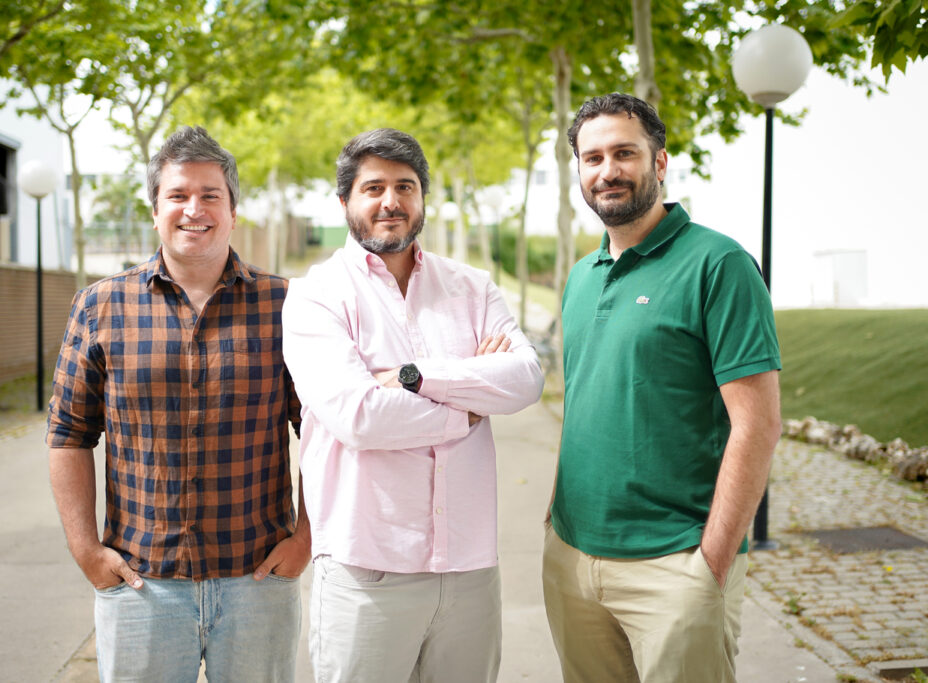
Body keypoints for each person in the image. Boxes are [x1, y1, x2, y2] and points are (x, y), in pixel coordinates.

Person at [282, 128, 545, 682]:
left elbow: (525, 378)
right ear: (344, 201)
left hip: (470, 570)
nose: (391, 201)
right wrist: (469, 404)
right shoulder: (315, 295)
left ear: (423, 197)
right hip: (367, 571)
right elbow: (359, 417)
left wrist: (415, 378)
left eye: (405, 186)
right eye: (373, 188)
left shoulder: (471, 287)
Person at [47, 126, 308, 682]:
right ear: (155, 210)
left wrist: (307, 537)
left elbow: (324, 429)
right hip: (143, 586)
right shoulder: (99, 306)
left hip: (258, 581)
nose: (194, 209)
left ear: (233, 211)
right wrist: (86, 550)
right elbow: (68, 435)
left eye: (210, 195)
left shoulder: (287, 305)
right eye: (178, 195)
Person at [543, 93, 782, 683]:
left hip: (675, 562)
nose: (608, 170)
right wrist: (554, 522)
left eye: (624, 153)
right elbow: (588, 401)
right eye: (593, 158)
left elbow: (757, 424)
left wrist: (711, 563)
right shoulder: (581, 275)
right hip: (572, 558)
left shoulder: (719, 264)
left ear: (660, 161)